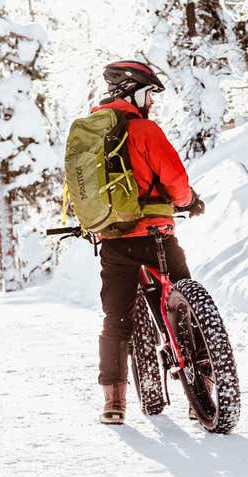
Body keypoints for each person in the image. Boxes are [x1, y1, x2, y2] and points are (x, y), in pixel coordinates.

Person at [91, 61, 205, 424]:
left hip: (113, 240)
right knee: (185, 295)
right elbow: (175, 178)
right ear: (132, 93)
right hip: (156, 234)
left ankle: (113, 404)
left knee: (115, 320)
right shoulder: (144, 130)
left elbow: (81, 192)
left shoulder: (87, 136)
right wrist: (188, 201)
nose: (151, 102)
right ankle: (201, 381)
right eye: (148, 94)